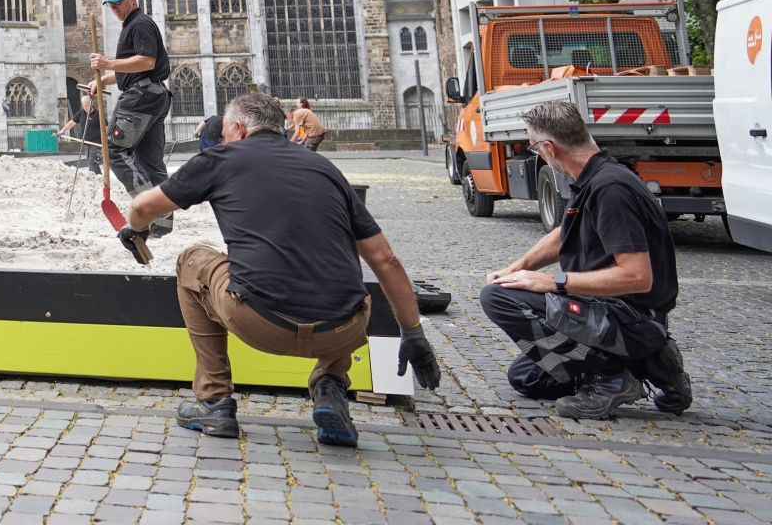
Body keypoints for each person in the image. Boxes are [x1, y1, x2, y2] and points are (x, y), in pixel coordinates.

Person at [121, 92, 441, 447]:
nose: (224, 141)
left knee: (191, 260)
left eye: (226, 134)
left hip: (261, 321)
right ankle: (331, 384)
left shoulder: (221, 158)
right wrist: (412, 334)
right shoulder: (325, 168)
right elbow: (385, 259)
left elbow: (143, 207)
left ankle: (214, 401)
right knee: (347, 284)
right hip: (339, 331)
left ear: (239, 129)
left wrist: (135, 230)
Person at [481, 99, 691, 419]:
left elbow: (637, 276)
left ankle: (612, 378)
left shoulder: (611, 188)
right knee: (527, 378)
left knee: (497, 298)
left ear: (549, 148)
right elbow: (564, 233)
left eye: (534, 148)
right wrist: (515, 269)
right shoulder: (594, 176)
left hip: (631, 317)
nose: (537, 154)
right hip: (614, 313)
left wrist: (552, 281)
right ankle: (651, 362)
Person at [87, 0, 173, 233]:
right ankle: (161, 225)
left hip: (141, 96)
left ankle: (149, 209)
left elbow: (146, 62)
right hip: (154, 94)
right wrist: (103, 80)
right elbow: (134, 69)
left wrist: (107, 63)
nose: (114, 8)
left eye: (118, 3)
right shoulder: (133, 25)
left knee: (114, 149)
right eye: (110, 5)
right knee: (150, 161)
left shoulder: (139, 24)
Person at [59, 91, 102, 174]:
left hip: (96, 144)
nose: (85, 107)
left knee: (92, 163)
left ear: (91, 104)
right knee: (94, 164)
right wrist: (63, 130)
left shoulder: (97, 114)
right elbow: (72, 123)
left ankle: (92, 178)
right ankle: (100, 178)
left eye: (86, 105)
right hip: (86, 143)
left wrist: (107, 140)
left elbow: (106, 127)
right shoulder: (81, 113)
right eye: (84, 105)